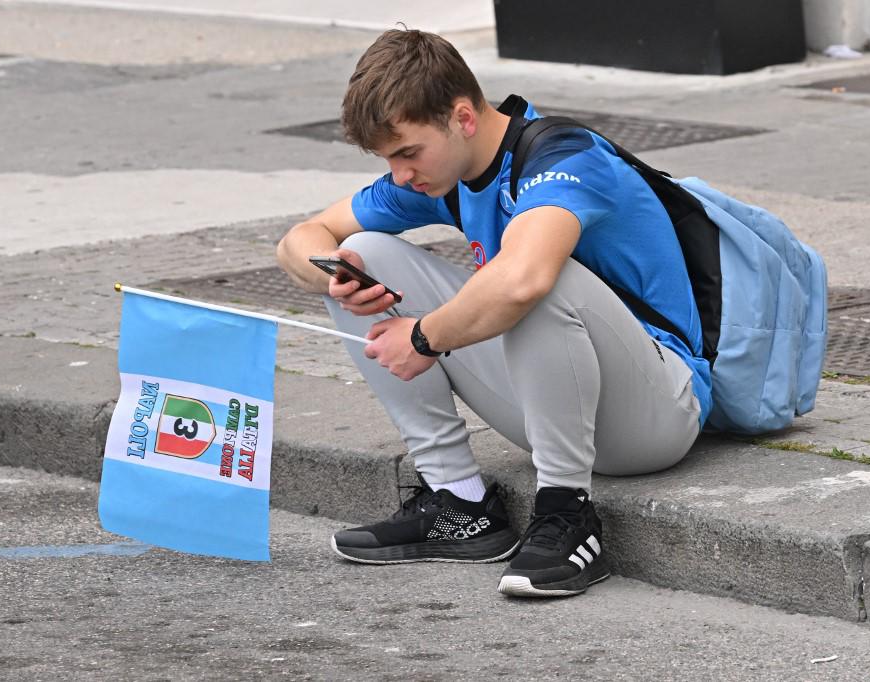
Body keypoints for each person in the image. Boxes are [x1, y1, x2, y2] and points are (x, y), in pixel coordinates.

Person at [275, 28, 710, 598]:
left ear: (463, 117)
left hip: (655, 414)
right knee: (367, 255)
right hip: (554, 403)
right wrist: (336, 276)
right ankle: (460, 501)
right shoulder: (442, 175)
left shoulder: (567, 157)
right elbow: (300, 240)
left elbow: (524, 280)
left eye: (407, 152)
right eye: (388, 159)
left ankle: (567, 513)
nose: (401, 173)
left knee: (535, 278)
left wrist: (424, 338)